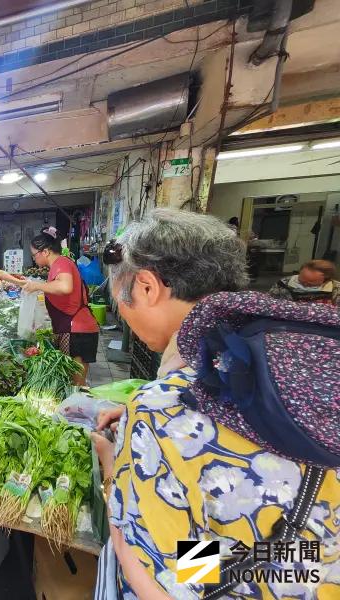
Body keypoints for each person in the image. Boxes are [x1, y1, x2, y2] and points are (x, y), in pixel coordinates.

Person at [91, 209, 339, 599]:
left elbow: (168, 575)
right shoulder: (308, 360)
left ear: (146, 286)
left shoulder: (163, 409)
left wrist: (113, 467)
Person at [22, 227, 99, 386]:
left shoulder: (61, 262)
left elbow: (65, 287)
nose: (34, 259)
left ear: (45, 252)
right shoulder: (58, 265)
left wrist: (37, 285)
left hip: (78, 329)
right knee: (73, 384)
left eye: (34, 255)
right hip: (75, 329)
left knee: (77, 386)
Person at [268, 258, 339, 306]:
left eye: (310, 283)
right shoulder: (283, 283)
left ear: (326, 279)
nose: (305, 284)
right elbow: (269, 301)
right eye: (301, 280)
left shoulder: (336, 288)